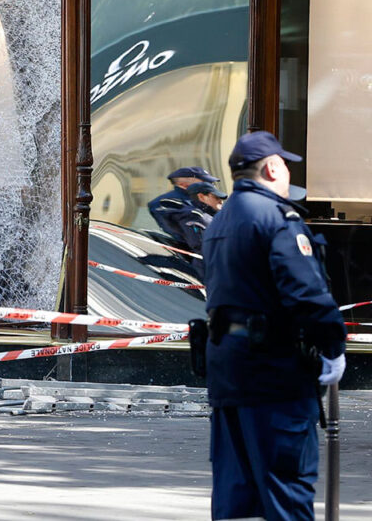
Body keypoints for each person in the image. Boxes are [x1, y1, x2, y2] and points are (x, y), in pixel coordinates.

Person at [201, 131, 346, 521]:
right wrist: (333, 346)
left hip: (228, 372)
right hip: (275, 373)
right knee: (285, 490)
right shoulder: (278, 219)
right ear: (271, 167)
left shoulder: (219, 222)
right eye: (284, 167)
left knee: (236, 495)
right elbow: (307, 295)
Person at [148, 165, 220, 245]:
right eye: (206, 182)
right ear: (184, 185)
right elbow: (192, 237)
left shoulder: (203, 198)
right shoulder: (164, 202)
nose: (212, 185)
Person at [173, 181, 227, 254]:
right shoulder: (196, 217)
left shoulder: (210, 216)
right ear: (201, 197)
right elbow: (206, 250)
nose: (221, 201)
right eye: (216, 197)